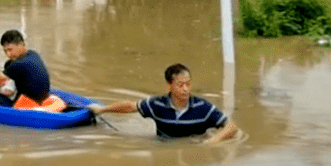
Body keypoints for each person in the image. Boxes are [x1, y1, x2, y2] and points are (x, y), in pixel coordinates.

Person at [88, 63, 238, 143]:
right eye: (180, 85)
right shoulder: (157, 105)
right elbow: (130, 107)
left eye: (188, 84)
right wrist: (102, 110)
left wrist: (213, 141)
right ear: (170, 85)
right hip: (163, 143)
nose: (185, 89)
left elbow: (231, 127)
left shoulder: (203, 108)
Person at [0, 29, 50, 106]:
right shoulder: (33, 54)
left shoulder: (19, 64)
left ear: (20, 45)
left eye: (10, 50)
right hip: (40, 99)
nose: (8, 54)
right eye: (5, 51)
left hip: (22, 106)